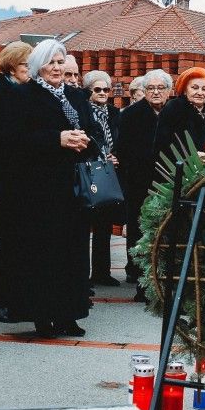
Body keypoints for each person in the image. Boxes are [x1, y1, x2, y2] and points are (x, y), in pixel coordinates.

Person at [13, 39, 101, 338]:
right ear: (39, 65)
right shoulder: (26, 96)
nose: (56, 67)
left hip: (75, 187)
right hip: (42, 190)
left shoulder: (76, 96)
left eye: (60, 62)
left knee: (73, 253)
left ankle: (69, 314)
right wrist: (57, 139)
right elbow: (16, 140)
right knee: (45, 252)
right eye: (50, 62)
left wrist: (85, 141)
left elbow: (96, 132)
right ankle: (43, 316)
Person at [0, 40, 33, 324]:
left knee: (19, 243)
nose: (30, 71)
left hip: (21, 180)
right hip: (6, 181)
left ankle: (16, 301)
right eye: (26, 65)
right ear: (12, 66)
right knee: (3, 245)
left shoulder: (19, 91)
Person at [114, 69, 172, 300]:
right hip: (139, 183)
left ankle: (166, 283)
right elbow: (123, 148)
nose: (156, 92)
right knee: (139, 233)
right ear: (144, 91)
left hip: (168, 182)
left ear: (170, 91)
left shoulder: (174, 112)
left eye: (161, 88)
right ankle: (142, 285)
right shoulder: (131, 114)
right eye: (151, 88)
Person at [153, 67, 205, 167]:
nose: (200, 93)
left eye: (204, 89)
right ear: (184, 89)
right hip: (181, 172)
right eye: (195, 88)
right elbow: (162, 145)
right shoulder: (173, 109)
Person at [85, 70, 122, 287]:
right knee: (85, 223)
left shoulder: (115, 114)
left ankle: (102, 272)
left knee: (104, 225)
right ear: (89, 92)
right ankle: (83, 276)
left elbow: (121, 140)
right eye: (97, 89)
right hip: (89, 170)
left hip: (110, 173)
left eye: (106, 89)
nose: (102, 93)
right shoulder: (85, 113)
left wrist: (116, 156)